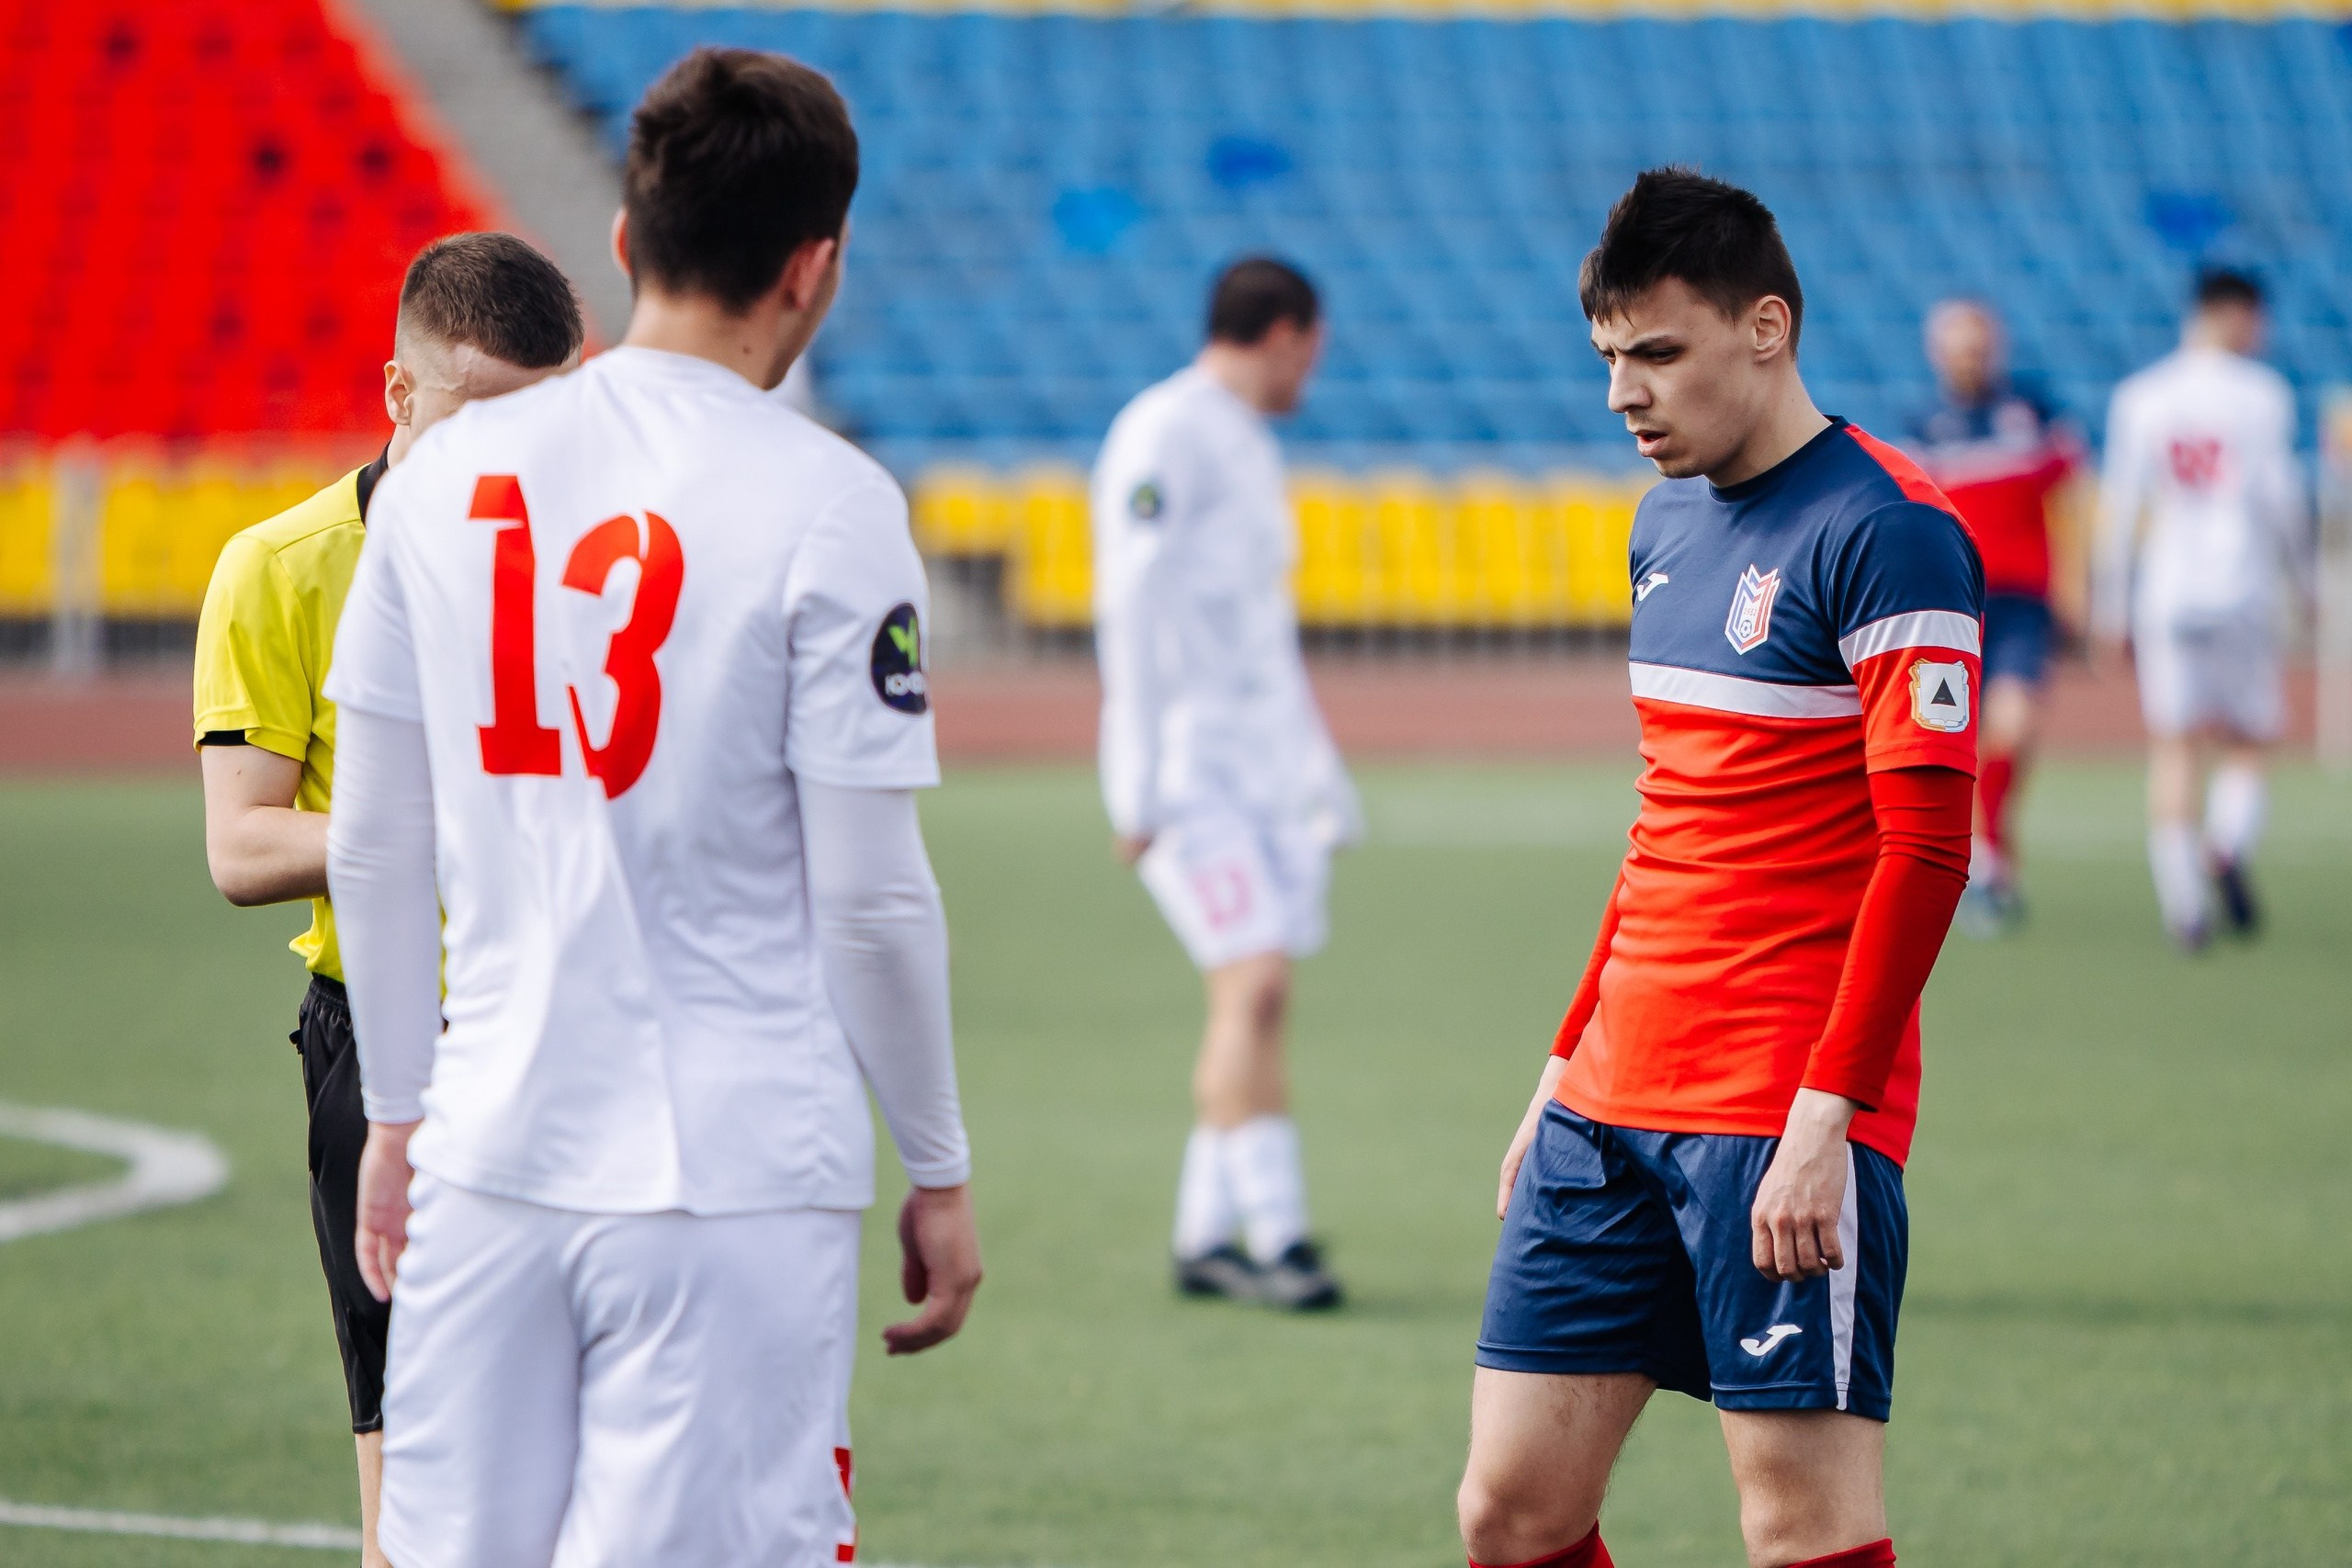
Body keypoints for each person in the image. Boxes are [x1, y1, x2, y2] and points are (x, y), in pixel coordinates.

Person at [322, 49, 981, 1567]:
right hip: (729, 1176)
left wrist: (401, 1113)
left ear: (623, 240)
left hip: (487, 1149)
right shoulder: (830, 502)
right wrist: (937, 1165)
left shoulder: (443, 475)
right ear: (814, 269)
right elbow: (871, 892)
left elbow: (373, 830)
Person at [1457, 169, 1981, 1568]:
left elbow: (1930, 848)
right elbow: (1666, 824)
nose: (1627, 393)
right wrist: (1562, 1061)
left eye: (1660, 353)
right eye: (1611, 359)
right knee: (1511, 1514)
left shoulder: (1891, 530)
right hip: (1612, 1096)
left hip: (1778, 1100)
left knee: (1798, 1524)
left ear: (1766, 327)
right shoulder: (1660, 524)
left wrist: (1834, 1111)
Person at [192, 231, 583, 1568]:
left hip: (573, 1031)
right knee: (416, 1498)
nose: (514, 462)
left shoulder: (598, 567)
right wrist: (422, 826)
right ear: (399, 394)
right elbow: (239, 849)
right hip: (386, 1051)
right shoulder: (283, 566)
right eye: (482, 415)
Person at [1091, 256, 1360, 1312]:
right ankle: (1278, 1235)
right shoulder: (1163, 432)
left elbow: (1259, 638)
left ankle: (1206, 1234)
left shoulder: (1243, 445)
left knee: (1257, 994)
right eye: (1314, 351)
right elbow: (1134, 606)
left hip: (1254, 773)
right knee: (1251, 984)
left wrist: (1314, 772)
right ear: (1287, 334)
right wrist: (1135, 782)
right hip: (1186, 768)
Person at [2095, 268, 2308, 951]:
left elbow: (2120, 507)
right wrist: (2306, 582)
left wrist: (2110, 606)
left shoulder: (2141, 396)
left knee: (2175, 745)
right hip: (2242, 584)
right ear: (2234, 313)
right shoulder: (2263, 394)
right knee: (2249, 738)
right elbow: (2281, 498)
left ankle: (2184, 903)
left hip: (2168, 591)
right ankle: (2225, 842)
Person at [1908, 299, 2078, 932]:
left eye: (1977, 345)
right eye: (1957, 346)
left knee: (2014, 728)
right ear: (1938, 354)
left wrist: (2079, 583)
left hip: (2022, 603)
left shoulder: (2033, 413)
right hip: (1952, 608)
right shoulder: (1923, 428)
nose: (1968, 357)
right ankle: (1964, 861)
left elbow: (2072, 498)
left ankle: (1995, 849)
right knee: (1949, 741)